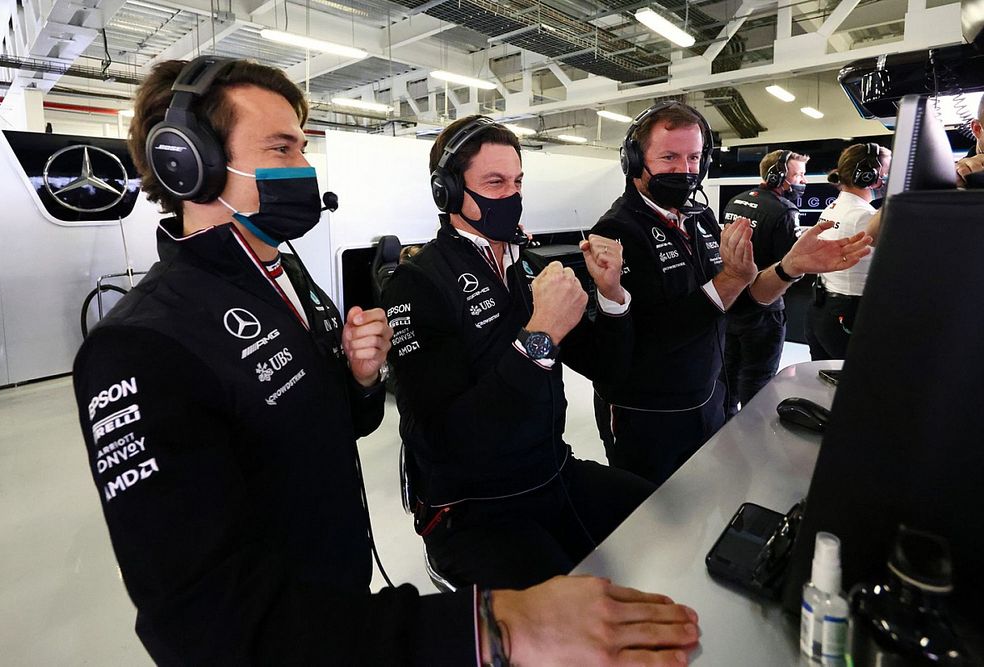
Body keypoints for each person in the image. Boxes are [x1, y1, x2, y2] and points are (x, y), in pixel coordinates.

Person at [72, 57, 700, 665]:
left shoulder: (284, 278)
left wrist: (363, 379)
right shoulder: (139, 347)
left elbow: (341, 417)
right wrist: (536, 338)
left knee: (677, 530)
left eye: (302, 148)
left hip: (499, 502)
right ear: (189, 164)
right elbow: (206, 625)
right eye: (283, 148)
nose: (304, 167)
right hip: (457, 521)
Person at [381, 115, 657, 591]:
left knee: (664, 519)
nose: (511, 195)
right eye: (494, 182)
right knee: (567, 614)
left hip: (553, 472)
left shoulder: (526, 267)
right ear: (447, 192)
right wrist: (539, 336)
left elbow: (608, 370)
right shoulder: (417, 283)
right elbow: (443, 438)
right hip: (476, 508)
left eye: (517, 181)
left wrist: (611, 294)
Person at [590, 101, 873, 486]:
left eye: (693, 157)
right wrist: (733, 279)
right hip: (648, 415)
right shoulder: (615, 231)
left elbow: (738, 306)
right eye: (669, 157)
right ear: (636, 160)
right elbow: (654, 337)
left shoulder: (700, 218)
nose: (685, 169)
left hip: (711, 397)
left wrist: (791, 266)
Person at [721, 149, 809, 409]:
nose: (802, 182)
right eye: (798, 175)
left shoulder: (735, 201)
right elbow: (789, 263)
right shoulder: (785, 211)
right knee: (758, 380)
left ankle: (722, 436)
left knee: (726, 377)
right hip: (763, 309)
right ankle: (752, 438)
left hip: (731, 302)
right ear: (777, 176)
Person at [805, 143, 892, 360]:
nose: (888, 178)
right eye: (887, 172)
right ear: (867, 175)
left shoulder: (834, 207)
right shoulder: (863, 216)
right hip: (849, 311)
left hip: (823, 308)